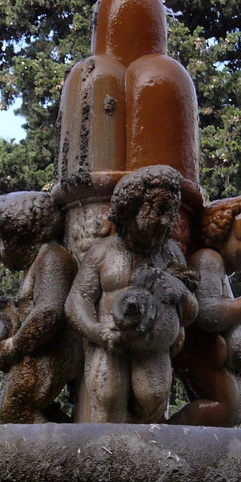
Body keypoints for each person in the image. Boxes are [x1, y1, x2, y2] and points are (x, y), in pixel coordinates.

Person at [65, 166, 198, 423]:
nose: (164, 222)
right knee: (108, 399)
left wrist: (181, 294)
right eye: (156, 211)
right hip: (110, 342)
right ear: (129, 209)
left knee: (153, 400)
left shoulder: (170, 254)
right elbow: (77, 299)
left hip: (153, 348)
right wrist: (96, 331)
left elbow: (192, 312)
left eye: (169, 214)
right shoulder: (103, 252)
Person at [170, 192, 241, 427]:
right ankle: (171, 432)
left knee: (231, 411)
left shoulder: (221, 271)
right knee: (226, 410)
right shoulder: (208, 259)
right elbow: (207, 312)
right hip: (202, 351)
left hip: (215, 356)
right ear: (221, 233)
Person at [0, 191, 81, 423]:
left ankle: (59, 453)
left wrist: (15, 345)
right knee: (17, 406)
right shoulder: (39, 260)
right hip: (44, 350)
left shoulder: (52, 257)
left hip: (54, 351)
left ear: (14, 238)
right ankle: (63, 434)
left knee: (15, 408)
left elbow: (50, 310)